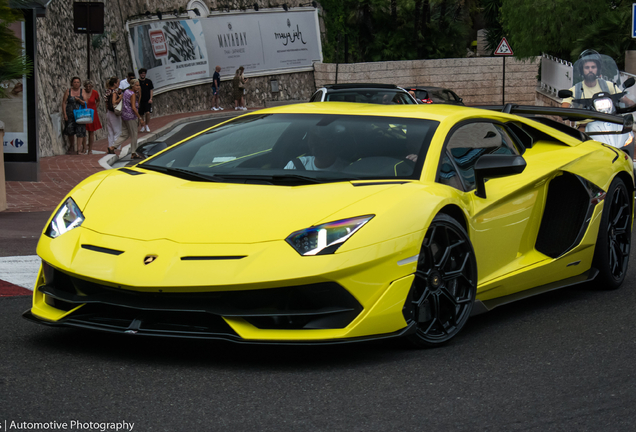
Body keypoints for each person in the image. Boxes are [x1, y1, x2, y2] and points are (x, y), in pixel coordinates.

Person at [110, 79, 145, 158]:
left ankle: (112, 147)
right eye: (136, 85)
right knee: (134, 135)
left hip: (124, 115)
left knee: (125, 134)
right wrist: (140, 118)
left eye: (139, 85)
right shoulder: (132, 94)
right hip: (131, 116)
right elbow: (134, 107)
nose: (138, 87)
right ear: (132, 85)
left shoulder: (126, 92)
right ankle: (133, 153)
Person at [284, 128, 348, 171]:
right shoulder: (294, 166)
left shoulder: (348, 170)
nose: (314, 142)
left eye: (320, 139)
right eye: (312, 137)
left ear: (333, 142)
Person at [61, 76, 86, 155]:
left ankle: (79, 149)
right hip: (70, 114)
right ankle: (72, 145)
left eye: (78, 82)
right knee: (70, 130)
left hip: (80, 114)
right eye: (74, 82)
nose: (76, 84)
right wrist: (64, 114)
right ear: (72, 83)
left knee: (80, 131)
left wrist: (79, 100)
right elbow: (64, 102)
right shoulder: (68, 91)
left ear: (80, 83)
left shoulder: (83, 91)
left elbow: (86, 102)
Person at [82, 79, 102, 154]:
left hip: (92, 113)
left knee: (91, 132)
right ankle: (84, 147)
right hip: (84, 113)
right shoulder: (82, 92)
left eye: (89, 86)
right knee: (83, 131)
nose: (88, 88)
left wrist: (95, 107)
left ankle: (90, 149)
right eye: (87, 86)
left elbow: (98, 100)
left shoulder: (95, 92)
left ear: (92, 86)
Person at [103, 77, 122, 154]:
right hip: (114, 113)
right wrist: (120, 97)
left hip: (108, 112)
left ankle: (110, 146)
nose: (119, 84)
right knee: (117, 131)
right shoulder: (114, 92)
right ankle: (114, 147)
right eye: (118, 82)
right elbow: (114, 102)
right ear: (114, 83)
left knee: (110, 131)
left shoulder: (108, 91)